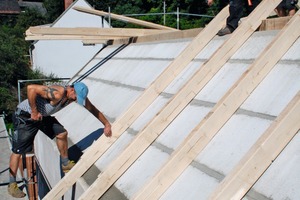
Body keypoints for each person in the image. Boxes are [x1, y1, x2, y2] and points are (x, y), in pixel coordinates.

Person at [8, 82, 112, 198]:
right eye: (76, 98)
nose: (76, 101)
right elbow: (31, 88)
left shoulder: (73, 97)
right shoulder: (58, 92)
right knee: (18, 151)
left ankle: (65, 163)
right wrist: (34, 111)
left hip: (42, 116)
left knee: (61, 133)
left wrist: (106, 124)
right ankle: (12, 184)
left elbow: (93, 109)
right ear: (72, 90)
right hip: (25, 116)